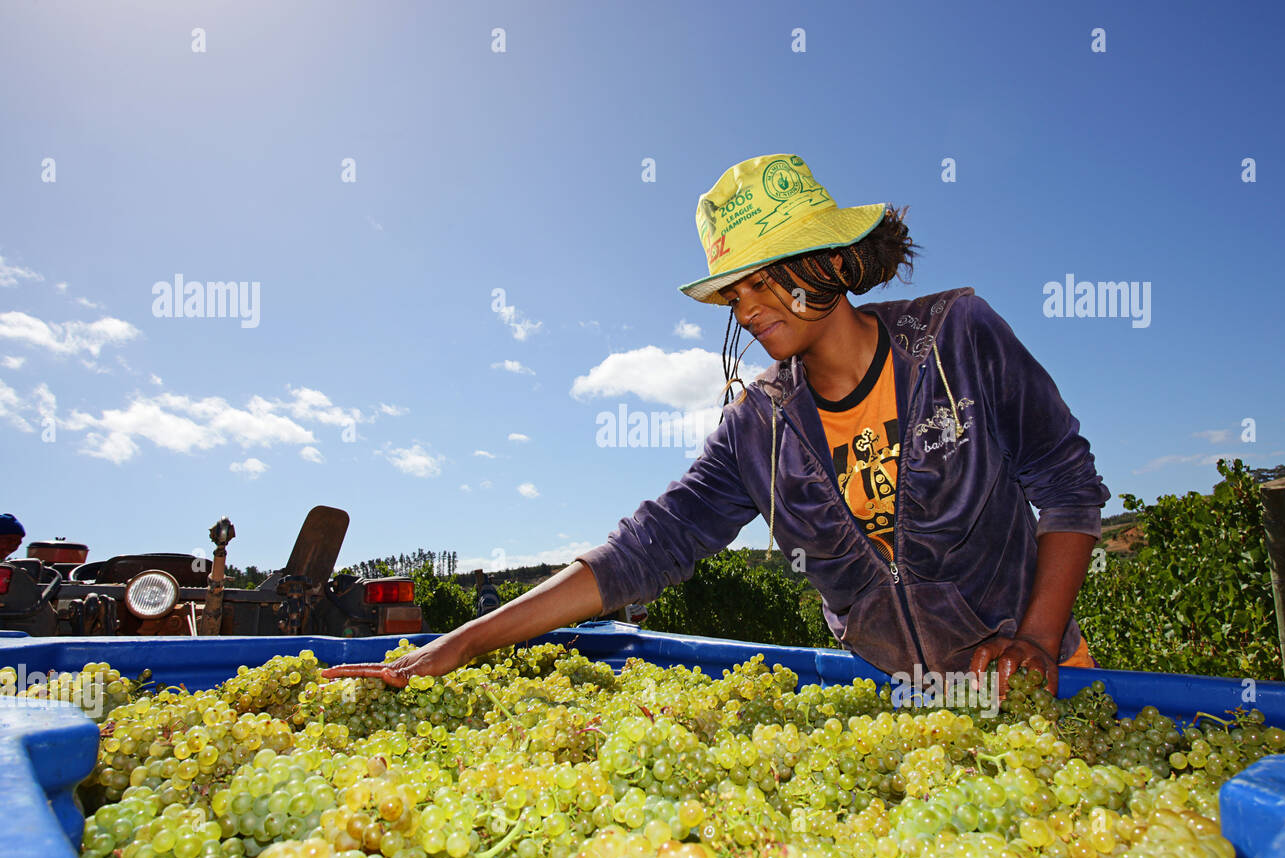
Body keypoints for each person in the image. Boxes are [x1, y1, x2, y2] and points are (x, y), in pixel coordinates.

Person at [324, 153, 1110, 697]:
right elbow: (645, 549)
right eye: (735, 292)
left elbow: (1068, 484)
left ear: (832, 264)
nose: (748, 307)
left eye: (765, 279)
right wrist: (463, 641)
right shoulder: (758, 428)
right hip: (902, 705)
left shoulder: (956, 341)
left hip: (1040, 677)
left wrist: (1037, 641)